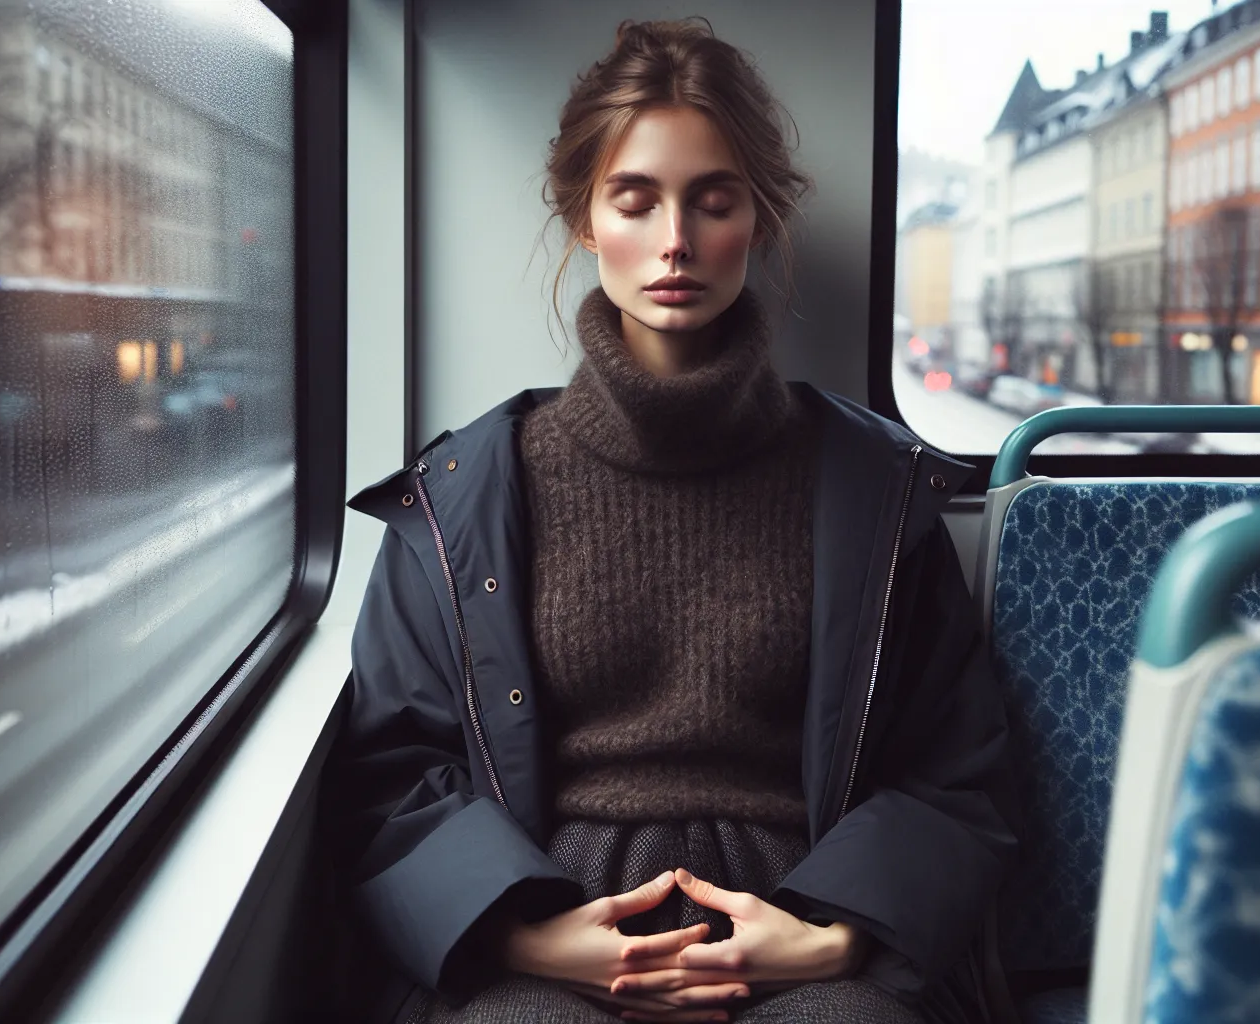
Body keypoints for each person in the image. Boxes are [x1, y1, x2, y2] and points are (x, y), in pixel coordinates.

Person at [333, 18, 1017, 1024]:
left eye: (714, 201)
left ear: (759, 219)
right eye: (635, 199)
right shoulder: (466, 494)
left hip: (807, 929)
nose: (676, 241)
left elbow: (957, 769)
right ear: (583, 217)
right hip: (545, 928)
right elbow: (390, 772)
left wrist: (836, 939)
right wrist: (522, 938)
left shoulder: (873, 487)